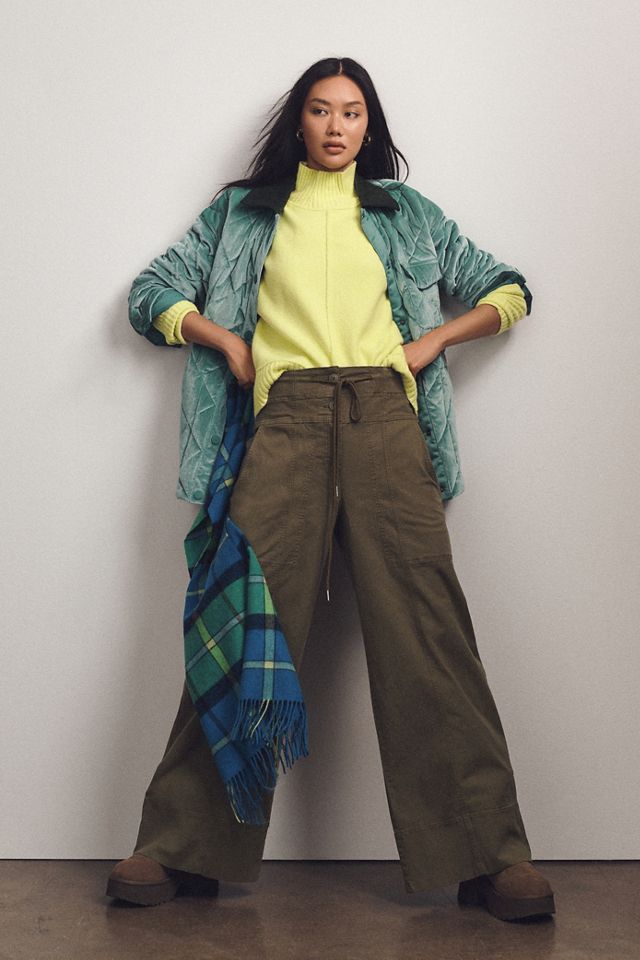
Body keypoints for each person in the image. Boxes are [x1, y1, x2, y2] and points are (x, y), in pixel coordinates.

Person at [105, 56, 555, 922]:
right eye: (320, 110)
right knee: (244, 623)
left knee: (428, 632)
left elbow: (511, 290)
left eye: (351, 111)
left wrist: (430, 343)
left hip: (386, 417)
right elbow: (151, 292)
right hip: (287, 421)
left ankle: (487, 854)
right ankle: (182, 846)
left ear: (368, 124)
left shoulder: (406, 213)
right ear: (299, 122)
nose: (336, 125)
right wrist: (227, 343)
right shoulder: (242, 212)